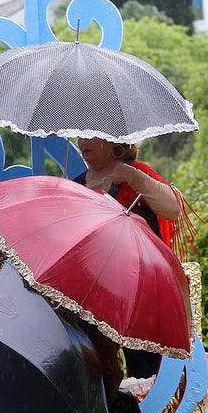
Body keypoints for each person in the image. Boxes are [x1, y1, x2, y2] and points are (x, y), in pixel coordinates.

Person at [72, 137, 183, 377]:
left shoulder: (137, 173)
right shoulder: (77, 186)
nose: (83, 141)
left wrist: (133, 178)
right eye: (80, 134)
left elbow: (173, 208)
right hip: (96, 293)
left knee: (148, 371)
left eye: (91, 134)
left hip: (141, 290)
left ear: (113, 139)